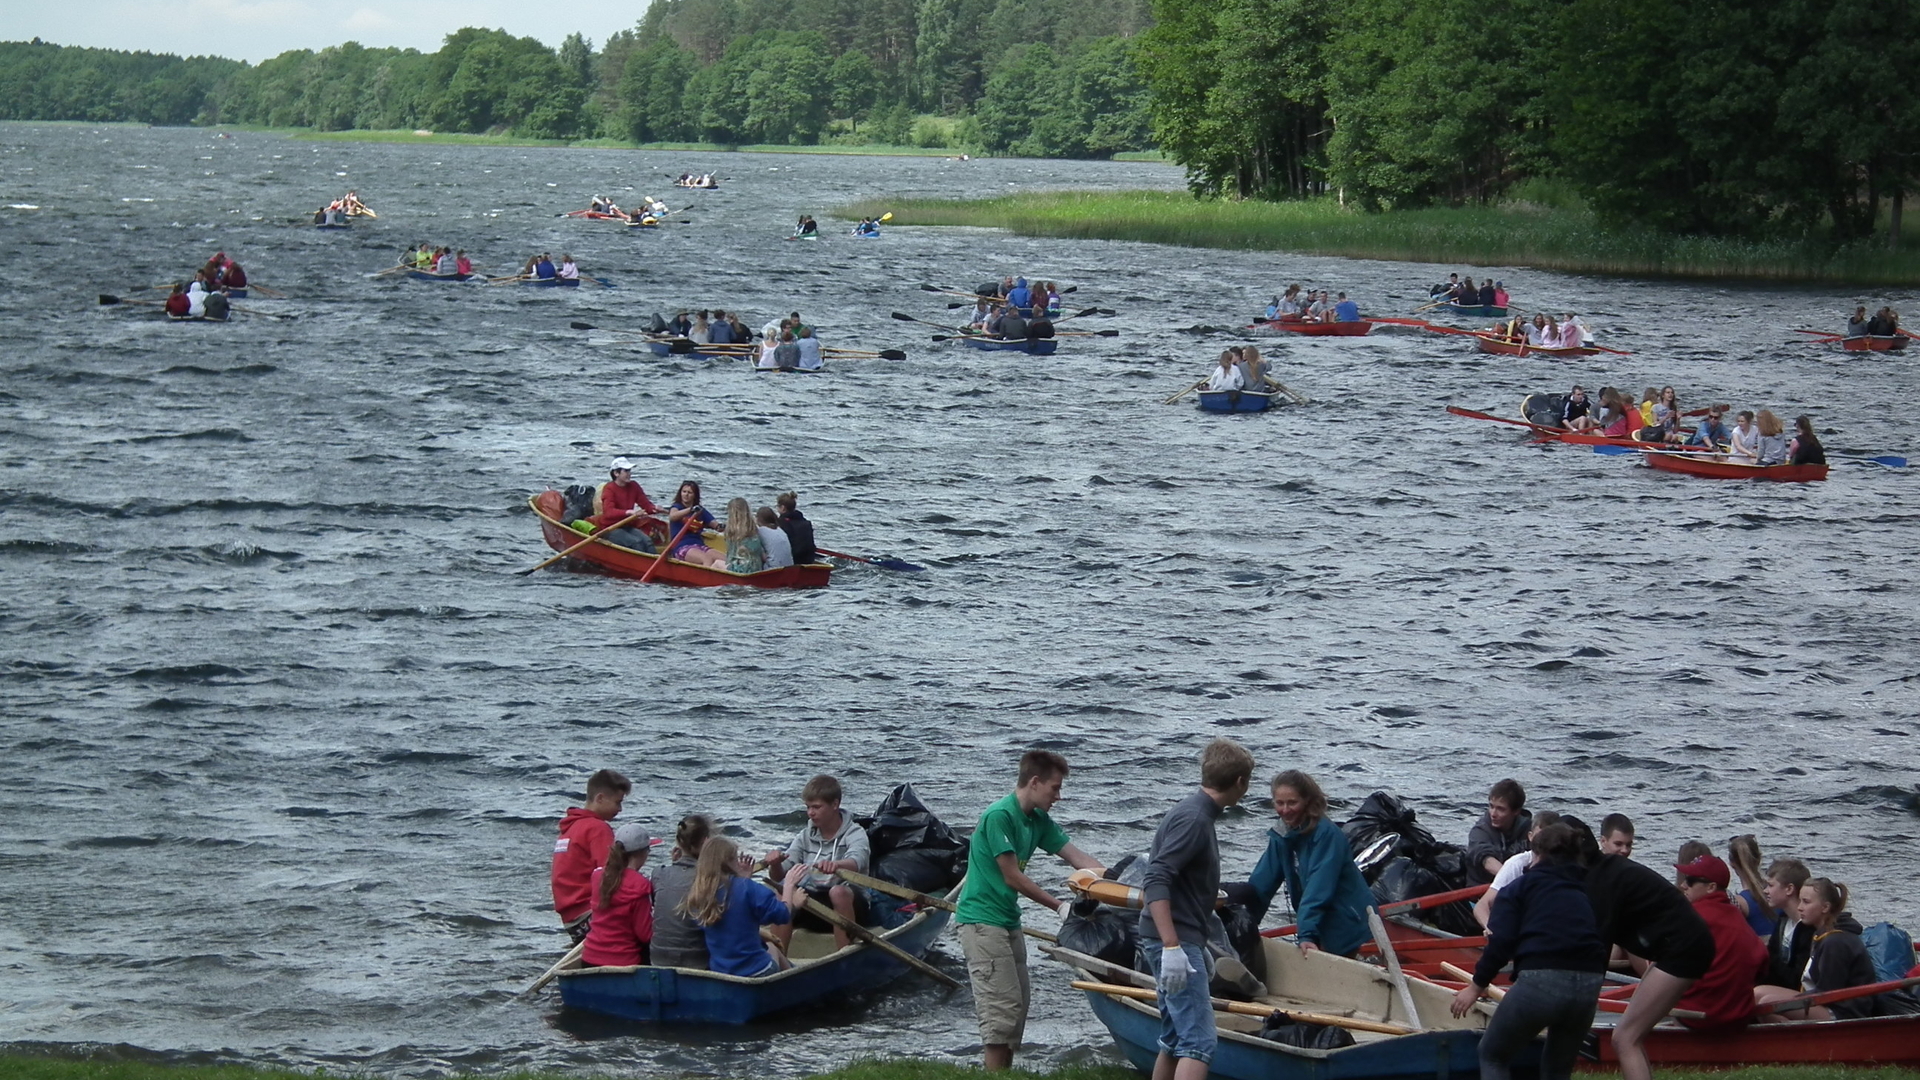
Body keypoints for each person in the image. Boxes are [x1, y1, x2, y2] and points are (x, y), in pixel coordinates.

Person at [955, 750, 1106, 1070]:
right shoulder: (999, 816)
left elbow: (1079, 859)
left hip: (1008, 920)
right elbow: (1012, 876)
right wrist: (1060, 907)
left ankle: (1004, 1074)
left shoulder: (1038, 820)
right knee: (1000, 1015)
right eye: (1055, 787)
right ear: (1034, 782)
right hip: (981, 923)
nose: (1059, 796)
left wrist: (1120, 885)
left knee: (1017, 1008)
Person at [1449, 823, 1607, 1080]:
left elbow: (1501, 943)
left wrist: (1476, 987)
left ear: (1537, 854)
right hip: (1590, 982)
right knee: (1557, 1069)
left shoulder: (1521, 887)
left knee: (1493, 1055)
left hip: (1542, 981)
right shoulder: (1582, 892)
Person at [1137, 738, 1255, 1080]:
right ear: (1240, 783)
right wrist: (1173, 947)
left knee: (1175, 1038)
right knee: (1199, 1042)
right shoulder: (1194, 820)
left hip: (1178, 937)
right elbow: (1156, 878)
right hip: (1172, 940)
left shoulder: (1193, 811)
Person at [1574, 816, 1716, 1080]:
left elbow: (1598, 947)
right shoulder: (1604, 870)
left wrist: (1583, 1005)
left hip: (1683, 949)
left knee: (1626, 1038)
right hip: (1679, 947)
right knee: (1629, 1036)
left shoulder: (1600, 880)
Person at [1247, 770, 1375, 957]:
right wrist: (1244, 920)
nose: (1285, 810)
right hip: (1318, 920)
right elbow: (1261, 883)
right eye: (1279, 803)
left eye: (1292, 803)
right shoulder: (1282, 835)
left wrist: (1306, 935)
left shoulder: (1327, 835)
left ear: (1307, 801)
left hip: (1346, 924)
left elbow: (1318, 889)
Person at [1754, 878, 1911, 1019]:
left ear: (1825, 907)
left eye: (1806, 902)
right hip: (1821, 999)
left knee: (1768, 1003)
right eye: (1800, 901)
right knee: (1756, 993)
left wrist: (1792, 1001)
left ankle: (1794, 1043)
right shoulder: (1820, 934)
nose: (1800, 907)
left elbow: (1828, 993)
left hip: (1842, 1011)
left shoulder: (1836, 942)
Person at [764, 774, 870, 952]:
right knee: (783, 891)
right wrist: (775, 864)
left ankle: (845, 956)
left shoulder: (855, 833)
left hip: (851, 904)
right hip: (814, 906)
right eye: (808, 807)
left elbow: (857, 861)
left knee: (838, 892)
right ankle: (777, 957)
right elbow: (781, 875)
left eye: (816, 807)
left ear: (835, 805)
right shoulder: (805, 836)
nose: (810, 813)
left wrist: (837, 866)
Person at [680, 836, 802, 976]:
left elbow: (736, 913)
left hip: (723, 972)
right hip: (757, 970)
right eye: (735, 858)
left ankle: (792, 975)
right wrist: (788, 885)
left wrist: (744, 879)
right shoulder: (747, 888)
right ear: (728, 861)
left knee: (770, 948)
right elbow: (782, 915)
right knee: (772, 949)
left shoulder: (699, 894)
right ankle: (796, 980)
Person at [1670, 854, 1768, 1029]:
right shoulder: (1738, 919)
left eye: (1691, 881)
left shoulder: (1689, 917)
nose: (1684, 885)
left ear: (1711, 887)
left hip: (1696, 1017)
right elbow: (1762, 962)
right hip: (1738, 1017)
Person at [552, 768, 632, 943]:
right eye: (618, 802)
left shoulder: (570, 828)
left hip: (570, 918)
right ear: (600, 798)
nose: (620, 809)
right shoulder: (597, 828)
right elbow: (610, 873)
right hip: (588, 913)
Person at [581, 821, 661, 968]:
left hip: (589, 958)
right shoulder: (641, 885)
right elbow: (645, 934)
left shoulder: (598, 876)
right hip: (624, 962)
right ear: (643, 852)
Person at [1473, 810, 1562, 930]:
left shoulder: (1568, 865)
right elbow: (1482, 906)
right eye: (1541, 837)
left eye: (1550, 839)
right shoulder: (1517, 864)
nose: (1545, 844)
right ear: (1530, 836)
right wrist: (1490, 929)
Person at [651, 814, 714, 969]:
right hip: (697, 961)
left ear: (679, 842)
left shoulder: (659, 873)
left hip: (658, 958)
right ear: (706, 842)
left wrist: (675, 864)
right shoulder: (709, 879)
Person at [1759, 857, 1817, 989]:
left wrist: (1762, 952)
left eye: (1771, 885)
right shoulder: (1784, 919)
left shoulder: (1808, 928)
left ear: (1789, 889)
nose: (1765, 890)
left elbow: (1798, 978)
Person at [589, 457, 663, 552]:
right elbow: (609, 512)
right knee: (636, 542)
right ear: (616, 473)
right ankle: (640, 565)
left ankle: (654, 563)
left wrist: (654, 508)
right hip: (610, 528)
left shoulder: (634, 486)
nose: (629, 473)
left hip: (627, 526)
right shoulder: (609, 488)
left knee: (648, 541)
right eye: (626, 471)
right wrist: (629, 512)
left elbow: (646, 505)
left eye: (629, 470)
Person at [1468, 779, 1532, 884]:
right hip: (1482, 890)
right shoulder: (1480, 831)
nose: (1493, 814)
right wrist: (1513, 880)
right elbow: (1486, 859)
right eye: (1491, 806)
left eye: (1500, 809)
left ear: (1516, 811)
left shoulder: (1529, 830)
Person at [663, 481, 724, 567]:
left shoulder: (700, 510)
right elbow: (672, 516)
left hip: (699, 545)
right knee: (707, 559)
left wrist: (721, 527)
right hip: (681, 547)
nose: (686, 495)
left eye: (689, 492)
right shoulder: (676, 507)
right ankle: (706, 579)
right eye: (684, 492)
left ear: (694, 495)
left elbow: (715, 525)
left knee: (724, 558)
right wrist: (691, 510)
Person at [722, 497, 766, 574]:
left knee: (716, 563)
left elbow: (730, 557)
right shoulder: (753, 528)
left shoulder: (732, 531)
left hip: (740, 569)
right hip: (756, 568)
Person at [777, 492, 816, 564]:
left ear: (782, 508)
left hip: (793, 561)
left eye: (777, 506)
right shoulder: (806, 522)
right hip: (809, 560)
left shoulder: (781, 523)